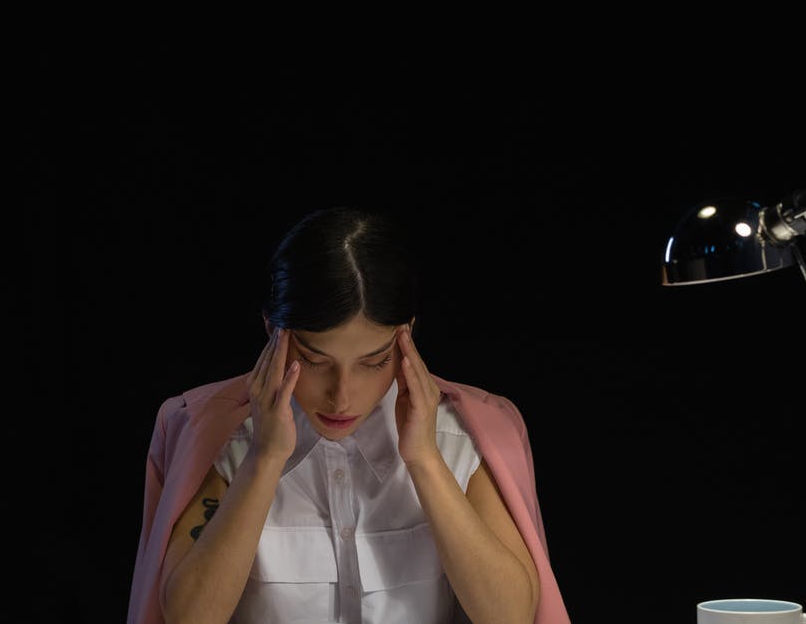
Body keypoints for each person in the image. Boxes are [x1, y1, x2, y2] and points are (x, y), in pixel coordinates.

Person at [127, 207, 571, 624]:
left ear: (406, 337)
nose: (342, 397)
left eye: (373, 362)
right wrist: (263, 459)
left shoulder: (467, 436)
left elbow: (512, 613)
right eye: (315, 361)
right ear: (271, 330)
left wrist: (424, 460)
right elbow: (186, 615)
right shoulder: (212, 436)